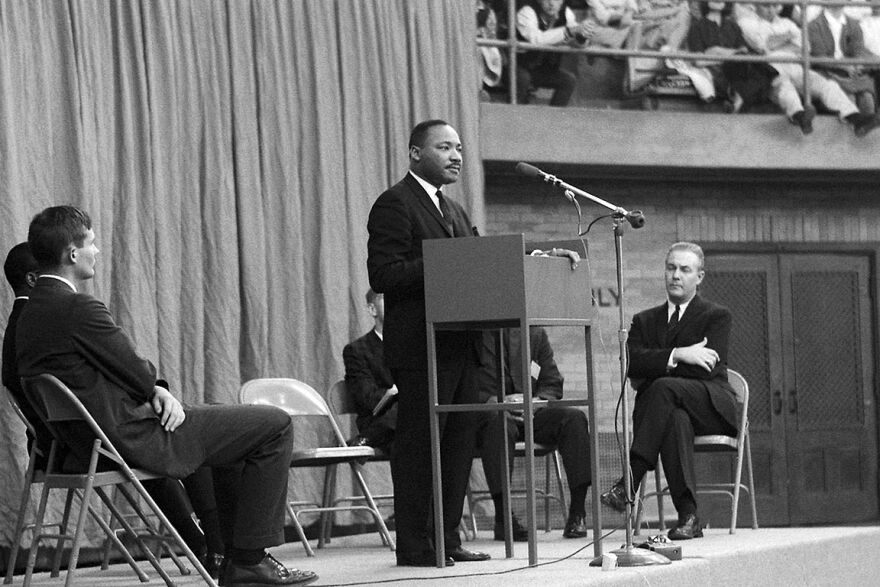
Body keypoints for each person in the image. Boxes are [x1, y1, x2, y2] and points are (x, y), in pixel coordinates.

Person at [14, 206, 317, 587]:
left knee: (234, 429)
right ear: (72, 254)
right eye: (91, 243)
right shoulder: (77, 307)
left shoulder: (30, 315)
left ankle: (232, 554)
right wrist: (155, 389)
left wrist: (151, 389)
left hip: (86, 443)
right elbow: (137, 371)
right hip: (131, 436)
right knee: (275, 424)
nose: (97, 250)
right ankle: (249, 559)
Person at [367, 120, 490, 567]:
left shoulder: (453, 209)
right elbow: (383, 274)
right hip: (422, 348)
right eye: (445, 147)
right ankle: (417, 545)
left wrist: (533, 254)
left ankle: (447, 538)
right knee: (421, 448)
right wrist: (444, 263)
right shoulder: (395, 203)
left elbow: (482, 260)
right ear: (416, 153)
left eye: (459, 148)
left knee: (457, 448)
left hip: (462, 345)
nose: (456, 156)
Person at [600, 242, 738, 541]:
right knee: (675, 419)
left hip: (710, 406)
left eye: (685, 270)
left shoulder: (716, 316)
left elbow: (706, 370)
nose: (676, 275)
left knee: (661, 387)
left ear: (699, 277)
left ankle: (630, 481)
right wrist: (680, 354)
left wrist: (659, 363)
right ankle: (689, 517)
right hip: (664, 412)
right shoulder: (644, 320)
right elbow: (632, 365)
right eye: (671, 268)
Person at [475, 326, 592, 541]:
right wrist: (497, 402)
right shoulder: (475, 334)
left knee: (574, 418)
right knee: (498, 421)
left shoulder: (534, 334)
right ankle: (503, 517)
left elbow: (552, 382)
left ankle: (578, 512)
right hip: (490, 414)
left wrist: (535, 402)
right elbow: (467, 386)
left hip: (531, 412)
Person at [738, 3, 880, 136]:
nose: (770, 9)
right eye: (765, 6)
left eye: (774, 5)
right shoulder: (747, 22)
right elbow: (762, 45)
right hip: (771, 65)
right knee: (783, 86)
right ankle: (799, 116)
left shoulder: (786, 22)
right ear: (756, 6)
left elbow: (805, 46)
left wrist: (777, 43)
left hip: (795, 63)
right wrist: (789, 36)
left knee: (827, 85)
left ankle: (854, 117)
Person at [682, 1, 777, 111]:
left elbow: (743, 51)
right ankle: (740, 98)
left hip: (742, 70)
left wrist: (717, 51)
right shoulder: (697, 27)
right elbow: (699, 61)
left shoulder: (733, 26)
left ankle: (739, 99)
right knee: (754, 69)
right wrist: (727, 57)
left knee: (752, 63)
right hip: (720, 73)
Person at [343, 288, 397, 454]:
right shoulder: (356, 350)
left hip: (411, 421)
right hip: (378, 419)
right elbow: (367, 398)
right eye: (388, 298)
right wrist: (395, 392)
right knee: (413, 401)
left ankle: (367, 438)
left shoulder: (414, 345)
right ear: (372, 309)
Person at [515, 0, 594, 106]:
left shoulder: (566, 13)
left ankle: (555, 115)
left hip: (543, 68)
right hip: (519, 65)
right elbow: (537, 39)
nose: (551, 3)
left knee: (568, 81)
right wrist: (569, 31)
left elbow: (576, 40)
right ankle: (514, 112)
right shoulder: (527, 11)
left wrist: (582, 36)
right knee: (523, 78)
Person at [807, 3, 878, 116]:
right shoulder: (813, 25)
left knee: (867, 98)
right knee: (849, 98)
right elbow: (819, 56)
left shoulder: (853, 24)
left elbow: (858, 50)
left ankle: (870, 125)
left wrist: (856, 65)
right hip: (826, 72)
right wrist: (844, 65)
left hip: (851, 72)